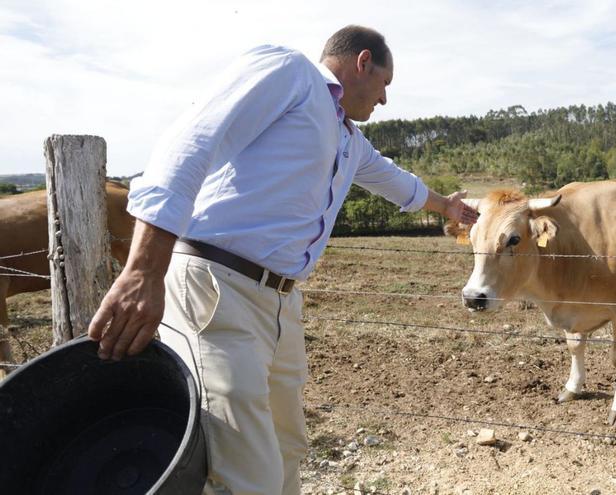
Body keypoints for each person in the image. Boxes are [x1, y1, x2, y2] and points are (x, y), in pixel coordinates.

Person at [88, 25, 478, 495]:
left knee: (286, 448)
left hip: (280, 304)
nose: (384, 101)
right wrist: (144, 270)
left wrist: (447, 206)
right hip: (217, 288)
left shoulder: (348, 141)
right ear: (363, 62)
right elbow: (189, 144)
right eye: (385, 86)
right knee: (244, 470)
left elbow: (396, 182)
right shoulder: (289, 73)